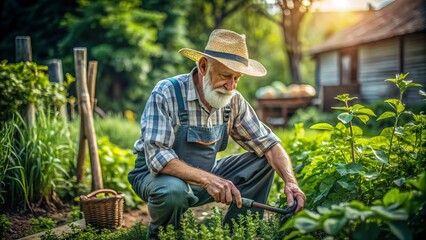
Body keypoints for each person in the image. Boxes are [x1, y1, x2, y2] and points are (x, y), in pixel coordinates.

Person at [128, 29, 306, 238]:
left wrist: (290, 182)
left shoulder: (234, 101)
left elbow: (270, 144)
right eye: (225, 76)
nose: (231, 86)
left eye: (237, 78)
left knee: (265, 160)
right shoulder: (168, 92)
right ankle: (164, 235)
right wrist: (207, 180)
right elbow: (158, 156)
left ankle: (239, 232)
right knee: (173, 190)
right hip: (156, 177)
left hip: (206, 176)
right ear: (203, 66)